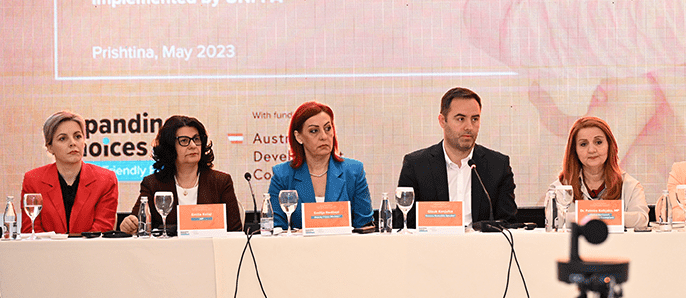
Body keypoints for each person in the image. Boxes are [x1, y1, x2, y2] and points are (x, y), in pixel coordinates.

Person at [396, 87, 517, 229]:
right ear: (442, 121)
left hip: (483, 248)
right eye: (460, 119)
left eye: (475, 119)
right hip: (432, 248)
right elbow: (403, 225)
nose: (469, 127)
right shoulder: (417, 165)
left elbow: (508, 223)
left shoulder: (497, 165)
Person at [120, 115, 242, 234]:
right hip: (166, 252)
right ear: (170, 147)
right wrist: (130, 224)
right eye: (184, 141)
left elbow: (235, 232)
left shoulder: (220, 182)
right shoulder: (153, 184)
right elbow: (137, 221)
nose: (193, 145)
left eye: (196, 139)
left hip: (211, 251)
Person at [268, 101, 373, 230]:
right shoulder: (282, 175)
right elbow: (277, 229)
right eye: (314, 131)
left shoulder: (354, 171)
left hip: (345, 248)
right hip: (298, 249)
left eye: (328, 128)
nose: (324, 136)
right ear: (298, 137)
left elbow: (365, 226)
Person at [20, 111, 118, 234]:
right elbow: (31, 229)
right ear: (50, 147)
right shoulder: (33, 180)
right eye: (63, 138)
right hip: (45, 251)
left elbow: (102, 229)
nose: (73, 143)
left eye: (77, 136)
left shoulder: (106, 179)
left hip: (91, 251)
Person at [551, 116, 649, 229]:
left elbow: (641, 220)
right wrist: (608, 216)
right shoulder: (560, 187)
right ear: (575, 150)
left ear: (609, 146)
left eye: (598, 142)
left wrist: (591, 215)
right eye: (583, 144)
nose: (592, 150)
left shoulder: (630, 186)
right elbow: (555, 219)